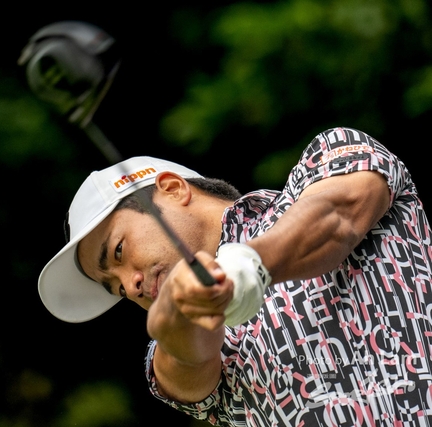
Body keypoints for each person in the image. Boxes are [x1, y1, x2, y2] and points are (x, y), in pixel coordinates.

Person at [38, 127, 432, 426]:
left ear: (172, 189)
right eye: (116, 288)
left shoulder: (334, 153)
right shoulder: (171, 347)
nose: (129, 285)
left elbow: (337, 216)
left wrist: (247, 264)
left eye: (118, 252)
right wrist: (180, 316)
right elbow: (185, 358)